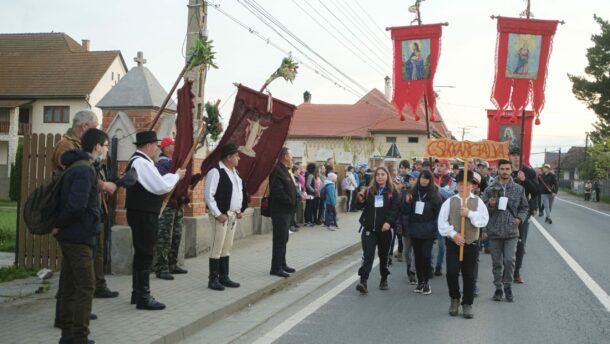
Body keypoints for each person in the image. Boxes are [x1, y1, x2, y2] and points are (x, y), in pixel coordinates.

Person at [52, 110, 117, 329]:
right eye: (95, 126)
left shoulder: (82, 151)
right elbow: (75, 183)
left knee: (73, 276)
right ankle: (75, 326)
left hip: (83, 220)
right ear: (84, 127)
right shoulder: (67, 146)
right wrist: (102, 184)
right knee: (81, 283)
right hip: (76, 226)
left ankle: (69, 318)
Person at [125, 131, 186, 310]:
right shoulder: (141, 162)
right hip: (143, 213)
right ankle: (143, 296)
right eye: (155, 145)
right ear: (148, 145)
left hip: (141, 212)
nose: (156, 149)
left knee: (141, 253)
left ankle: (137, 293)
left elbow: (157, 181)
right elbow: (160, 186)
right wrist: (176, 176)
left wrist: (174, 176)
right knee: (145, 253)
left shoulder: (141, 161)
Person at [438, 170, 489, 319]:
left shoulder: (478, 202)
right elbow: (442, 222)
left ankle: (467, 303)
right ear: (457, 185)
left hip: (471, 244)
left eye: (467, 184)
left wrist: (470, 214)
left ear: (472, 186)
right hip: (454, 244)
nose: (464, 187)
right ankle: (455, 299)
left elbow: (484, 220)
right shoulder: (450, 201)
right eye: (461, 184)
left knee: (469, 275)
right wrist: (454, 235)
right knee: (452, 273)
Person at [481, 159, 529, 303]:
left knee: (509, 260)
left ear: (511, 171)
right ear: (498, 170)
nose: (505, 172)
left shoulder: (518, 189)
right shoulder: (490, 189)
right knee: (497, 262)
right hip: (494, 231)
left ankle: (507, 285)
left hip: (511, 231)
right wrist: (490, 204)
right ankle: (498, 288)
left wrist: (519, 219)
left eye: (507, 169)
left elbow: (524, 207)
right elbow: (482, 210)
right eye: (502, 169)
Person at [203, 143, 248, 290]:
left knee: (227, 247)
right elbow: (209, 195)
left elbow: (238, 192)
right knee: (217, 246)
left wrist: (239, 209)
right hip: (221, 215)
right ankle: (213, 279)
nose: (238, 158)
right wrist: (217, 214)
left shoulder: (235, 173)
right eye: (236, 155)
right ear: (228, 157)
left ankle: (224, 277)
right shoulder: (215, 172)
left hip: (232, 215)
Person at [354, 166, 400, 294]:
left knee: (383, 256)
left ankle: (384, 278)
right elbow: (360, 206)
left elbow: (395, 209)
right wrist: (359, 199)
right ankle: (363, 281)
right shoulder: (369, 191)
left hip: (385, 230)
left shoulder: (393, 192)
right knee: (367, 254)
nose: (380, 177)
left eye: (382, 174)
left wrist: (389, 222)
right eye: (377, 175)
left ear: (387, 176)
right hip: (369, 228)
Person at [154, 137, 190, 280]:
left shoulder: (174, 163)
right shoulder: (162, 165)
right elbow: (165, 183)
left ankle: (172, 264)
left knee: (176, 235)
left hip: (177, 205)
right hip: (167, 206)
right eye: (173, 145)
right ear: (167, 148)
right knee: (165, 237)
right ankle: (161, 267)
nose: (175, 147)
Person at [406, 169, 443, 295]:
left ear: (430, 180)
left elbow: (439, 213)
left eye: (427, 178)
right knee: (417, 257)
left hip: (428, 230)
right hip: (415, 229)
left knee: (426, 256)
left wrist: (435, 227)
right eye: (422, 177)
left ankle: (426, 282)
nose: (424, 180)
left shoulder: (435, 194)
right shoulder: (412, 192)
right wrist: (407, 202)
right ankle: (420, 281)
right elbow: (406, 210)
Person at [508, 147, 538, 284]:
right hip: (506, 212)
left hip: (522, 213)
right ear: (509, 157)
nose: (515, 158)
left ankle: (516, 272)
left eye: (518, 155)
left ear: (522, 156)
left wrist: (525, 180)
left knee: (521, 244)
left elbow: (536, 191)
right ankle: (505, 271)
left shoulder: (529, 172)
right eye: (513, 155)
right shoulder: (505, 169)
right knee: (505, 243)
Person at [269, 148, 298, 278]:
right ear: (285, 156)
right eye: (291, 156)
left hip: (286, 211)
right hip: (280, 211)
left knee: (284, 238)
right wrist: (289, 202)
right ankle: (276, 268)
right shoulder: (277, 170)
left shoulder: (285, 170)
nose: (292, 158)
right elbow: (277, 191)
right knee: (279, 240)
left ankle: (282, 263)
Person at [398, 170, 419, 285]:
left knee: (415, 251)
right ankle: (409, 266)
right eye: (410, 179)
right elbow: (400, 210)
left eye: (413, 179)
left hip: (417, 227)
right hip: (406, 226)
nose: (411, 181)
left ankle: (412, 272)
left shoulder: (420, 193)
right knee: (407, 251)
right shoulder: (403, 192)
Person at [304, 163, 318, 227]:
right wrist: (314, 190)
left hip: (309, 193)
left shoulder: (307, 174)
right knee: (309, 208)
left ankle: (308, 221)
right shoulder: (310, 175)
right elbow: (308, 185)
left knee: (308, 208)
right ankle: (308, 221)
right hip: (310, 194)